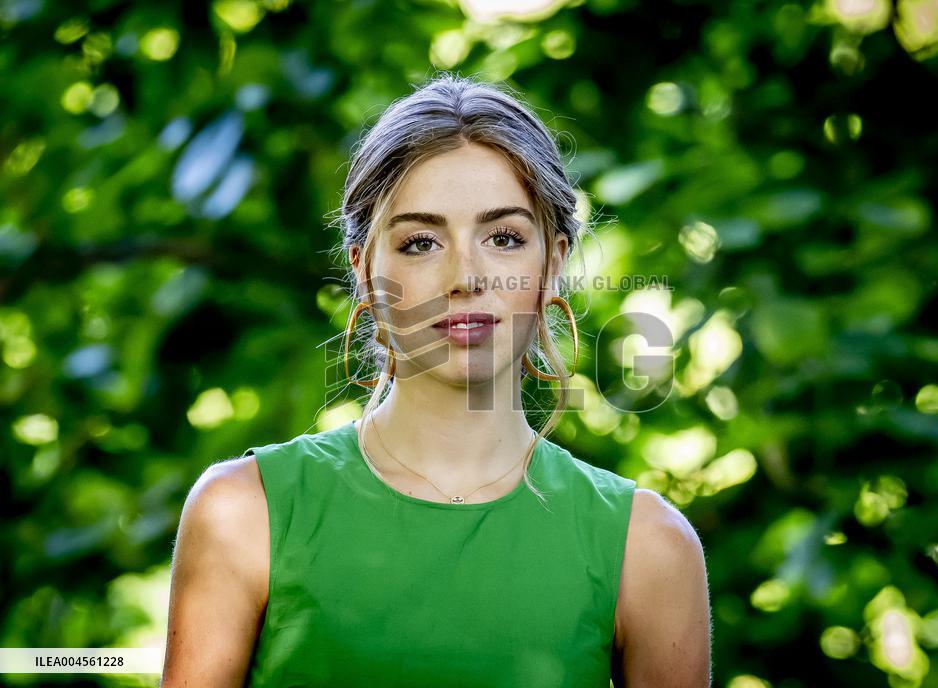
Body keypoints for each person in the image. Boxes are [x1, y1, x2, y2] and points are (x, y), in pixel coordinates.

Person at [161, 73, 711, 687]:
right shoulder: (245, 512)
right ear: (366, 270)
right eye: (421, 242)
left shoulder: (648, 547)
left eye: (503, 238)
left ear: (553, 264)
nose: (466, 276)